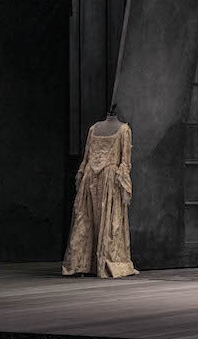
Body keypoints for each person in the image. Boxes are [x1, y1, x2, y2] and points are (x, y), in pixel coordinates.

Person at [62, 104, 138, 278]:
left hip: (93, 176)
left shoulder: (95, 129)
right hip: (107, 178)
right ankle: (96, 262)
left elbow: (87, 158)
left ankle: (84, 264)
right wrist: (124, 182)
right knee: (102, 218)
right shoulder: (123, 130)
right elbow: (125, 161)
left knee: (87, 218)